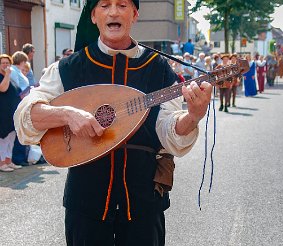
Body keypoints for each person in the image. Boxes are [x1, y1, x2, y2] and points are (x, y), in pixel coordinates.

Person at [14, 0, 212, 245]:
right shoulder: (69, 68)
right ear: (94, 16)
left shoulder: (158, 69)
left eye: (122, 5)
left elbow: (168, 130)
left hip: (143, 203)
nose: (114, 12)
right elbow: (26, 115)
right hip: (86, 204)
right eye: (105, 5)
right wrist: (67, 114)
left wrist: (193, 116)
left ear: (135, 14)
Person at [0, 54, 23, 172]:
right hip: (3, 112)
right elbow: (2, 88)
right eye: (3, 63)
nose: (5, 65)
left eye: (7, 63)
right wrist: (8, 74)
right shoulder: (3, 76)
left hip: (12, 113)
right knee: (3, 139)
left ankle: (9, 161)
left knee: (11, 138)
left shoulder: (9, 76)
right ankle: (2, 163)